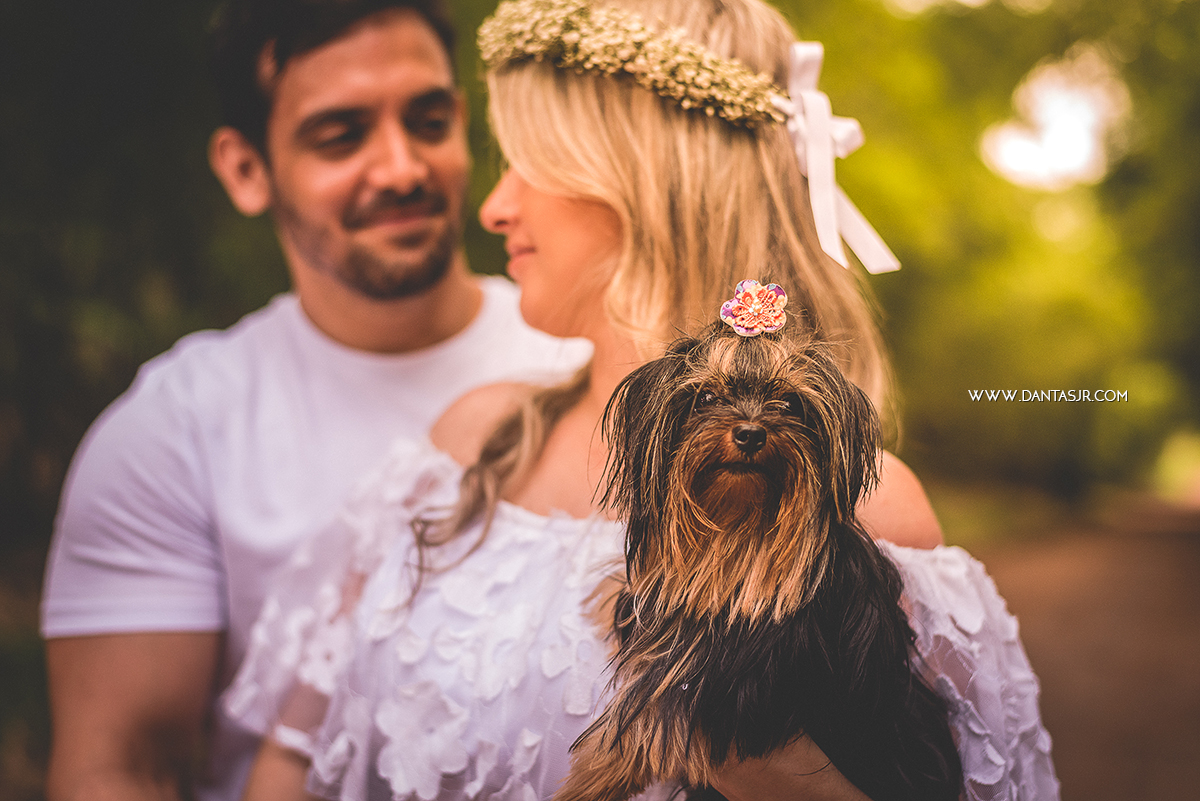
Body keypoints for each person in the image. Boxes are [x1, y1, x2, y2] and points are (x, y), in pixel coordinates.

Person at [224, 0, 1059, 800]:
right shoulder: (469, 444)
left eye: (528, 165)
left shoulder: (862, 508)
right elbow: (295, 760)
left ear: (640, 180)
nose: (494, 204)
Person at [39, 2, 594, 800]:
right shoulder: (174, 430)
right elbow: (122, 768)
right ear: (245, 169)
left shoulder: (591, 364)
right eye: (341, 135)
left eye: (429, 119)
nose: (402, 168)